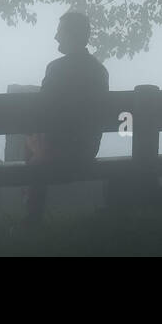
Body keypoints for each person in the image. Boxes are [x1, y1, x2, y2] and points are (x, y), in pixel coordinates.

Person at [24, 12, 109, 224]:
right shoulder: (99, 71)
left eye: (60, 31)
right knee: (39, 137)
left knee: (32, 137)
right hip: (87, 149)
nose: (56, 37)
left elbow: (43, 108)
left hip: (59, 151)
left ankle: (32, 214)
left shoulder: (57, 68)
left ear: (71, 35)